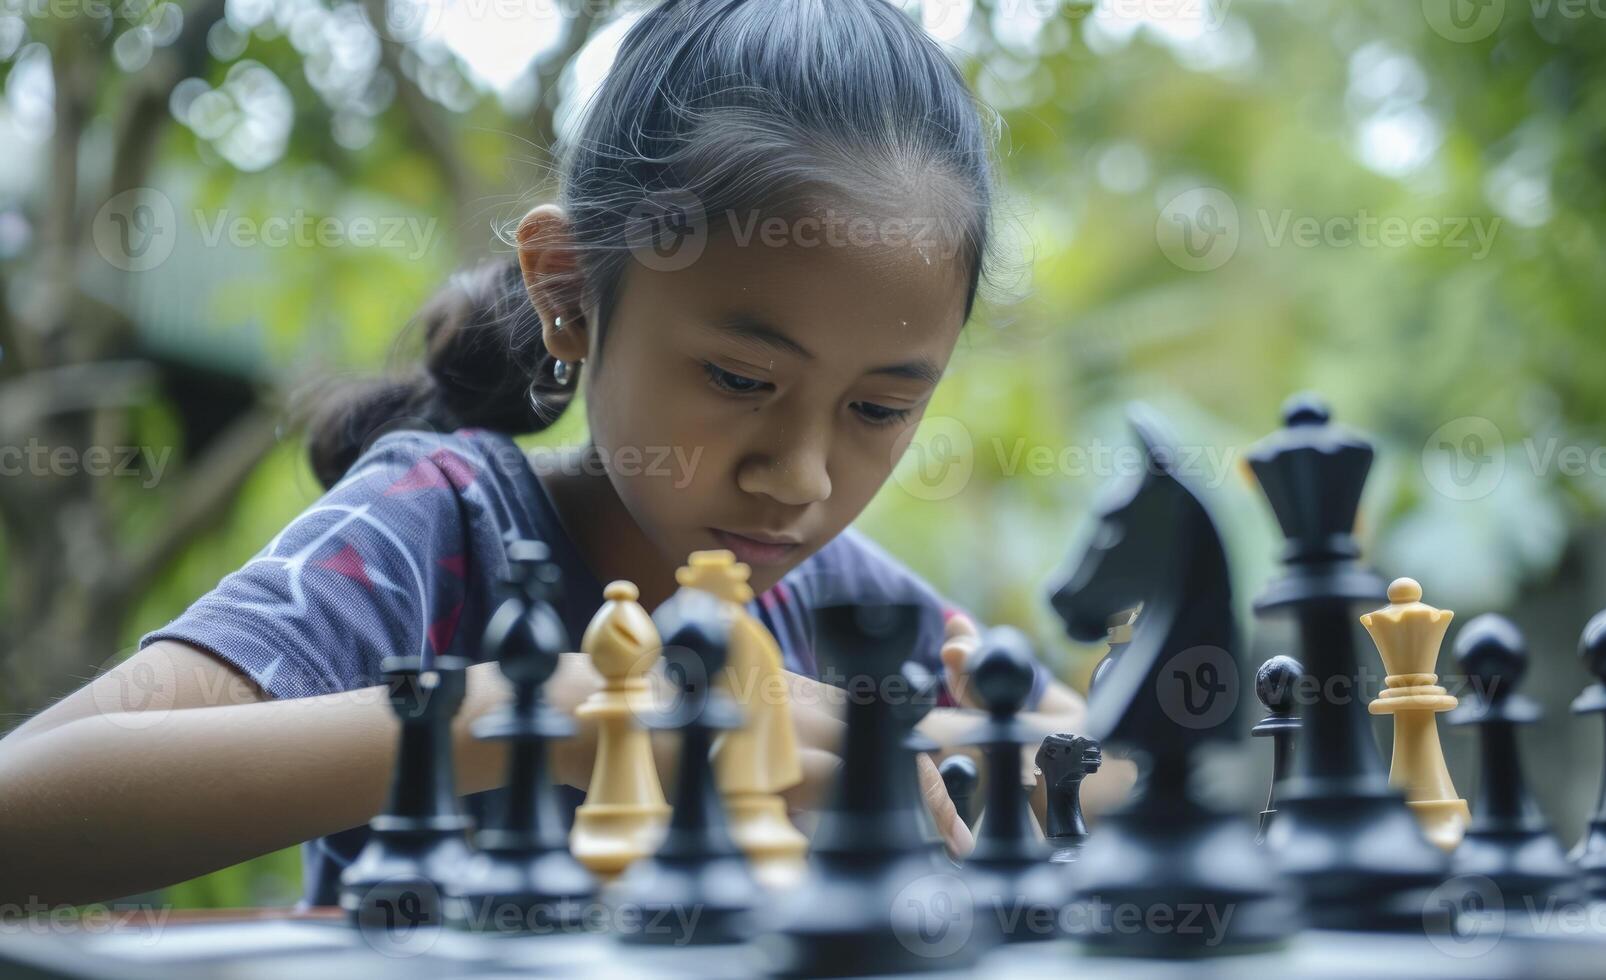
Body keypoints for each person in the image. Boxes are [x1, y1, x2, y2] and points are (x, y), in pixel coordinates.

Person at [0, 0, 1084, 909]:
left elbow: (1117, 760)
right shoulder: (438, 532)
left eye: (881, 408)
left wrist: (1022, 753)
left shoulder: (842, 608)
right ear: (567, 291)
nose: (800, 477)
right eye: (742, 381)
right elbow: (22, 809)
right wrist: (542, 717)